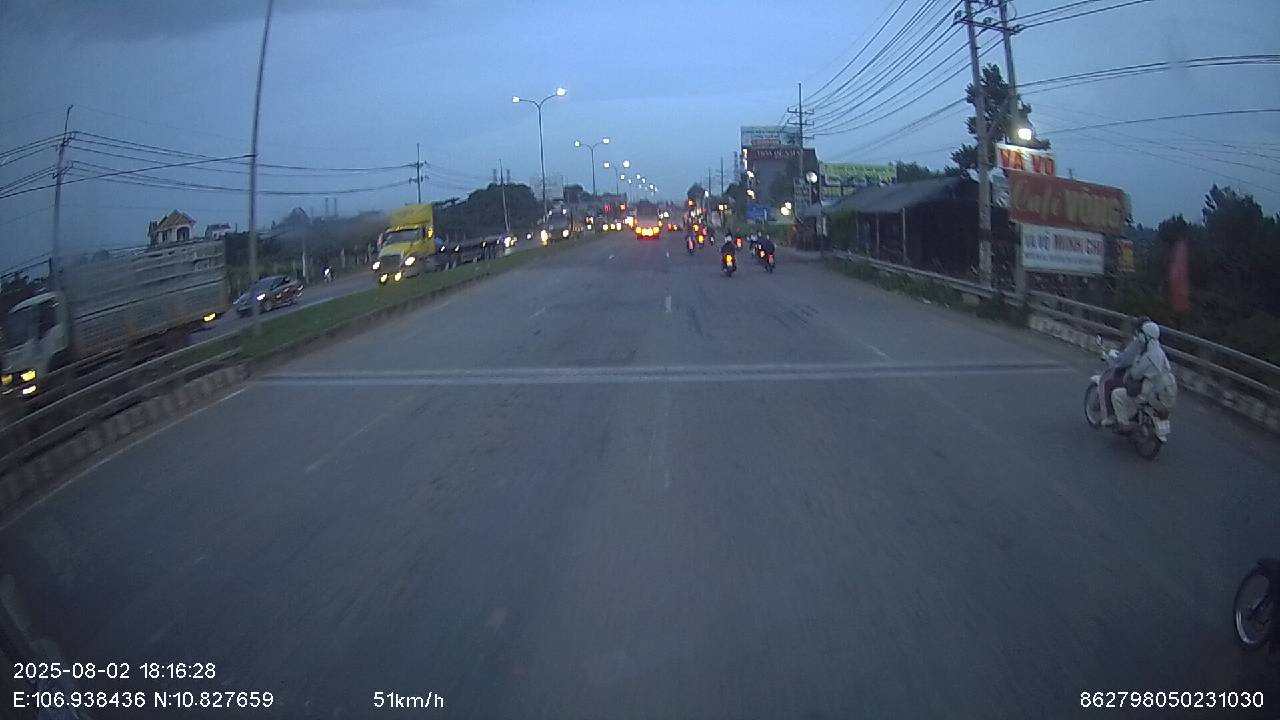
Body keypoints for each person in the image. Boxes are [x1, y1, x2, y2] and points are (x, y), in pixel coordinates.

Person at [1107, 319, 1177, 429]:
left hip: (1150, 394)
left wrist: (1137, 359)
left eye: (1142, 334)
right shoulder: (1160, 352)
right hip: (1166, 395)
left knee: (1116, 394)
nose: (1140, 336)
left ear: (1147, 336)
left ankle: (1124, 424)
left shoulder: (1148, 355)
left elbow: (1136, 374)